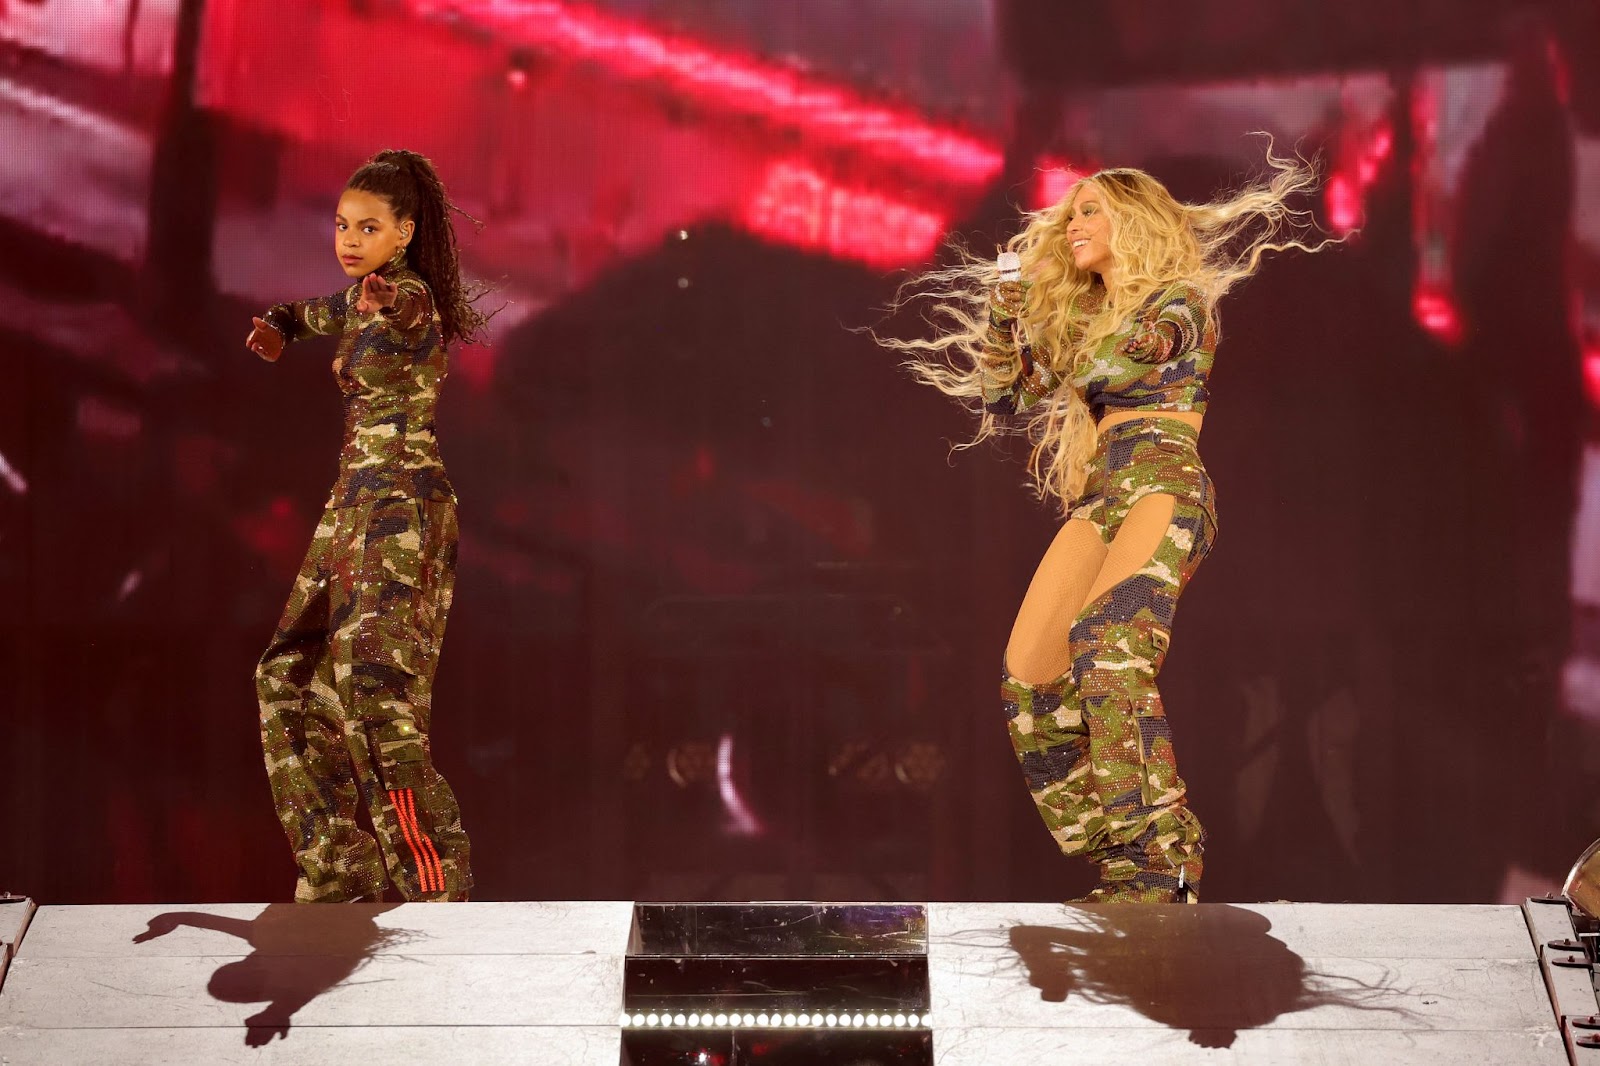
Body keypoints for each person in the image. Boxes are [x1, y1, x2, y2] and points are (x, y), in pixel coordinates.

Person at [886, 147, 1334, 902]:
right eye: (1069, 215)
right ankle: (1120, 858)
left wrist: (1045, 323)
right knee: (1028, 678)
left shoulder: (1178, 308)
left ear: (1135, 220)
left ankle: (1165, 853)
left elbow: (1117, 367)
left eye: (1091, 209)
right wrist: (1005, 309)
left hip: (1166, 483)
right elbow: (1003, 401)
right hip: (1105, 493)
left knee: (1107, 643)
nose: (1071, 226)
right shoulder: (1085, 320)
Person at [246, 149, 486, 902]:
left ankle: (431, 883)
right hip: (350, 504)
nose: (349, 240)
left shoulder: (408, 299)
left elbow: (418, 315)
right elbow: (312, 312)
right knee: (284, 673)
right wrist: (281, 326)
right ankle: (339, 868)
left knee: (373, 688)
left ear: (405, 233)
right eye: (342, 225)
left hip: (402, 505)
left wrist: (396, 302)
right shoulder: (358, 299)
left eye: (368, 227)